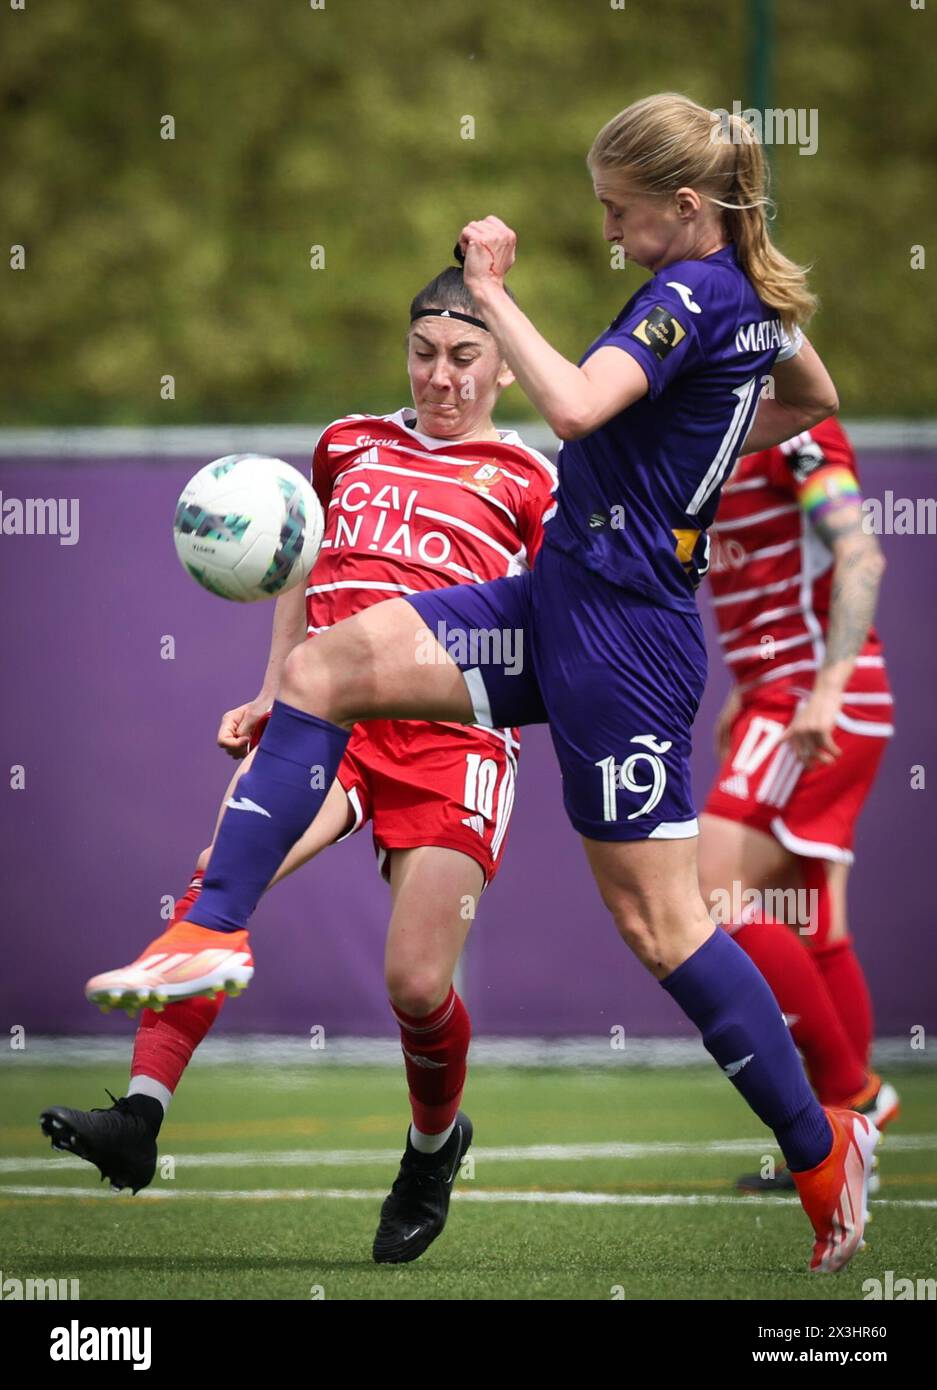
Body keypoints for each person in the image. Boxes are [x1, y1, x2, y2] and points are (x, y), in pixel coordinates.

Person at [86, 92, 877, 1273]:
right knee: (319, 667)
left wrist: (493, 284)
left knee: (661, 924)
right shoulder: (752, 300)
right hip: (554, 599)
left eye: (617, 212)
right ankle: (207, 932)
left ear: (683, 204)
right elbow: (805, 395)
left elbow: (565, 404)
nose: (607, 233)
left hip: (624, 640)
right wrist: (695, 449)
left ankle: (823, 1151)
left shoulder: (690, 294)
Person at [40, 266, 557, 1265]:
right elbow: (301, 566)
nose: (439, 377)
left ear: (502, 366)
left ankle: (431, 1147)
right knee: (217, 883)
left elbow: (553, 628)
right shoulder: (347, 443)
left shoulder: (533, 479)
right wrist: (279, 683)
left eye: (463, 357)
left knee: (415, 983)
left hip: (455, 739)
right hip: (335, 726)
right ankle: (139, 1119)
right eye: (423, 353)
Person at [696, 414, 898, 1191]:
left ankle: (850, 1101)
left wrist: (824, 692)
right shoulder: (712, 440)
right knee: (811, 917)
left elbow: (860, 554)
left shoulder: (795, 432)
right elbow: (765, 596)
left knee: (708, 896)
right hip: (780, 698)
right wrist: (746, 687)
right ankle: (851, 1120)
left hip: (811, 706)